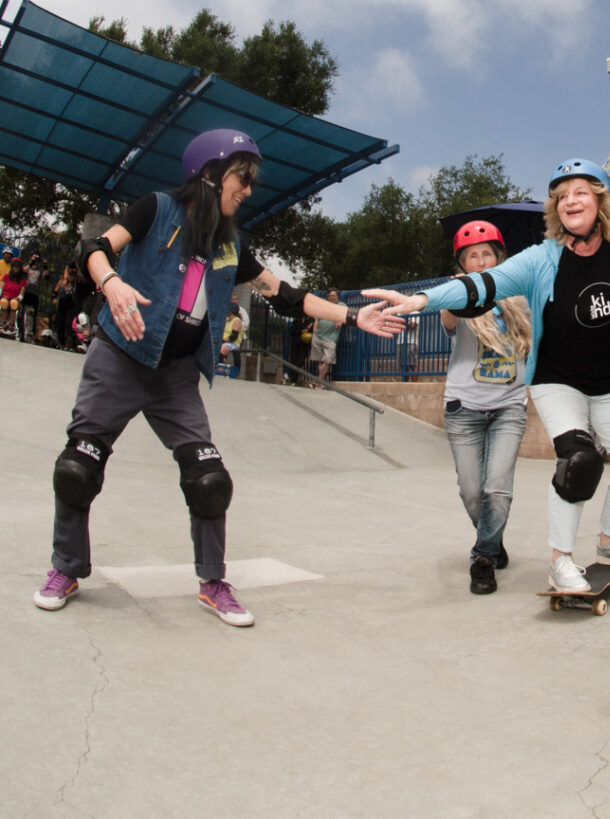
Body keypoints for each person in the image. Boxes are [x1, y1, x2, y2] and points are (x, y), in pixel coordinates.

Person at [31, 128, 403, 628]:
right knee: (78, 468)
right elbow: (94, 247)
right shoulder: (155, 209)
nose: (248, 190)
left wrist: (354, 317)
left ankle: (213, 583)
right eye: (242, 178)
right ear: (210, 174)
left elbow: (288, 296)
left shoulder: (231, 246)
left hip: (176, 376)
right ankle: (67, 569)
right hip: (119, 358)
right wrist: (112, 282)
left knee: (209, 480)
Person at [366, 157, 610, 593]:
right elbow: (481, 285)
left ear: (600, 200)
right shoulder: (541, 259)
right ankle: (561, 560)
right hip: (557, 379)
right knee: (580, 462)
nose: (570, 201)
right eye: (562, 196)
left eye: (580, 192)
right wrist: (421, 301)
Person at [441, 220, 532, 595]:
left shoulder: (519, 297)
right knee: (472, 492)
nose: (480, 262)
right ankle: (493, 541)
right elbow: (447, 318)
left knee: (497, 489)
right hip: (464, 408)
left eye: (486, 254)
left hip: (509, 405)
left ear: (499, 257)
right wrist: (461, 293)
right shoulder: (456, 294)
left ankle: (483, 558)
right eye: (472, 257)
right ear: (462, 264)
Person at [309, 289, 343, 386]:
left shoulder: (341, 305)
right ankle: (322, 383)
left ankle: (317, 381)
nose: (333, 297)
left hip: (331, 337)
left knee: (328, 360)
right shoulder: (323, 306)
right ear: (328, 296)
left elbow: (345, 316)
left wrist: (341, 320)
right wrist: (314, 332)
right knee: (320, 360)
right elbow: (316, 320)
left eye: (334, 295)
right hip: (318, 335)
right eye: (331, 295)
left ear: (337, 296)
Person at [53, 263, 78, 350]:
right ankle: (61, 342)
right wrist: (55, 298)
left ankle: (69, 342)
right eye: (70, 275)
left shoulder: (75, 285)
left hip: (71, 306)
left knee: (69, 323)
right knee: (60, 322)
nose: (71, 277)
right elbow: (55, 291)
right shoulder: (62, 283)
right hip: (62, 304)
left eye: (73, 276)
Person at [0, 256, 26, 337]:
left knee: (13, 303)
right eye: (14, 267)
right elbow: (1, 287)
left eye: (17, 267)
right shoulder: (6, 276)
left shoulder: (22, 280)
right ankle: (3, 322)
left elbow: (22, 292)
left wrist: (18, 297)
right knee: (4, 302)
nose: (15, 269)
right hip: (5, 296)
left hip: (15, 297)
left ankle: (11, 324)